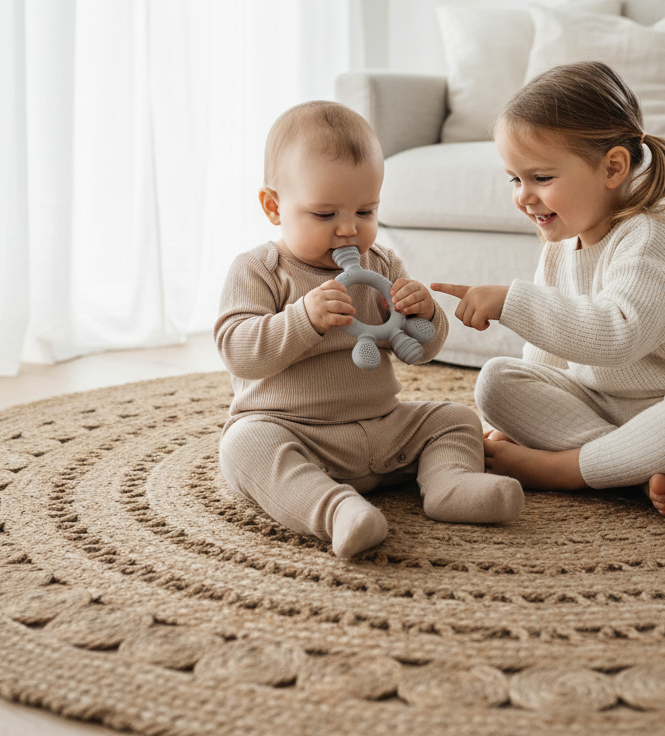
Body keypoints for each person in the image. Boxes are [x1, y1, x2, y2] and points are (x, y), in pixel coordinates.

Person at [431, 62, 665, 520]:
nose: (523, 196)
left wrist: (510, 301)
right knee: (497, 379)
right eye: (515, 179)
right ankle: (636, 469)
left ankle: (568, 470)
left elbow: (618, 335)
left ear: (613, 167)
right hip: (608, 414)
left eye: (541, 178)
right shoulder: (560, 246)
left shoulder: (655, 237)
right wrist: (511, 427)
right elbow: (547, 356)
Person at [215, 101, 523, 559]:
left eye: (366, 211)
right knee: (243, 446)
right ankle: (337, 511)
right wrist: (303, 319)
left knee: (454, 418)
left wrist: (425, 316)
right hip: (296, 431)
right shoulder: (259, 269)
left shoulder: (381, 264)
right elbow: (239, 351)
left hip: (383, 426)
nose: (348, 230)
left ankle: (450, 486)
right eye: (325, 215)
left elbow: (422, 351)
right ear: (273, 206)